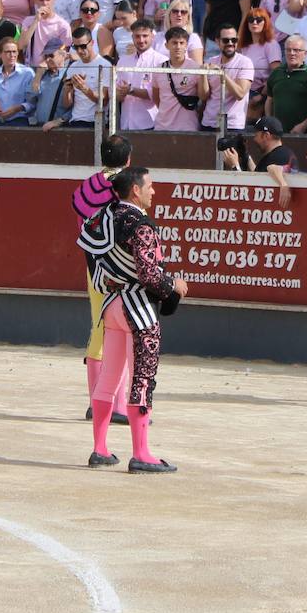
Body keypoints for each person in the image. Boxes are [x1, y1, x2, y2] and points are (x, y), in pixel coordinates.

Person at [77, 166, 188, 472]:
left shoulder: (101, 218)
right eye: (149, 186)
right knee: (142, 378)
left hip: (111, 304)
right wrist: (173, 285)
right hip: (138, 308)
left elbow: (94, 262)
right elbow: (149, 275)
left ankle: (100, 448)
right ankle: (141, 453)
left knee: (109, 378)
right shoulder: (140, 225)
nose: (154, 191)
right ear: (135, 190)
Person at [72, 135, 134, 424]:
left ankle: (98, 402)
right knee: (122, 331)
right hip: (121, 269)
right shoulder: (125, 186)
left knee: (99, 328)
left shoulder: (87, 186)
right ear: (128, 159)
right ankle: (113, 404)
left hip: (93, 265)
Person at [264, 34, 307, 133]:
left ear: (305, 53)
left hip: (305, 133)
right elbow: (269, 100)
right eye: (288, 50)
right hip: (278, 133)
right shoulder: (276, 73)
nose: (292, 53)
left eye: (296, 50)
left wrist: (304, 125)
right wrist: (270, 123)